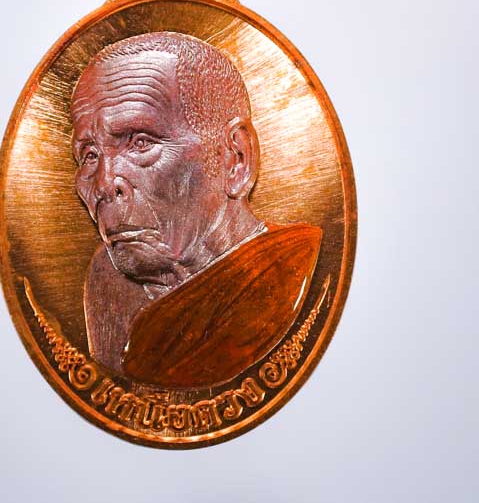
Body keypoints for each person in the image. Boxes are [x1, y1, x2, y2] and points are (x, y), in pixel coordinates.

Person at [70, 31, 322, 388]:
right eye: (89, 155)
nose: (104, 183)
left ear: (235, 158)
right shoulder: (108, 283)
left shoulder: (288, 270)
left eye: (140, 142)